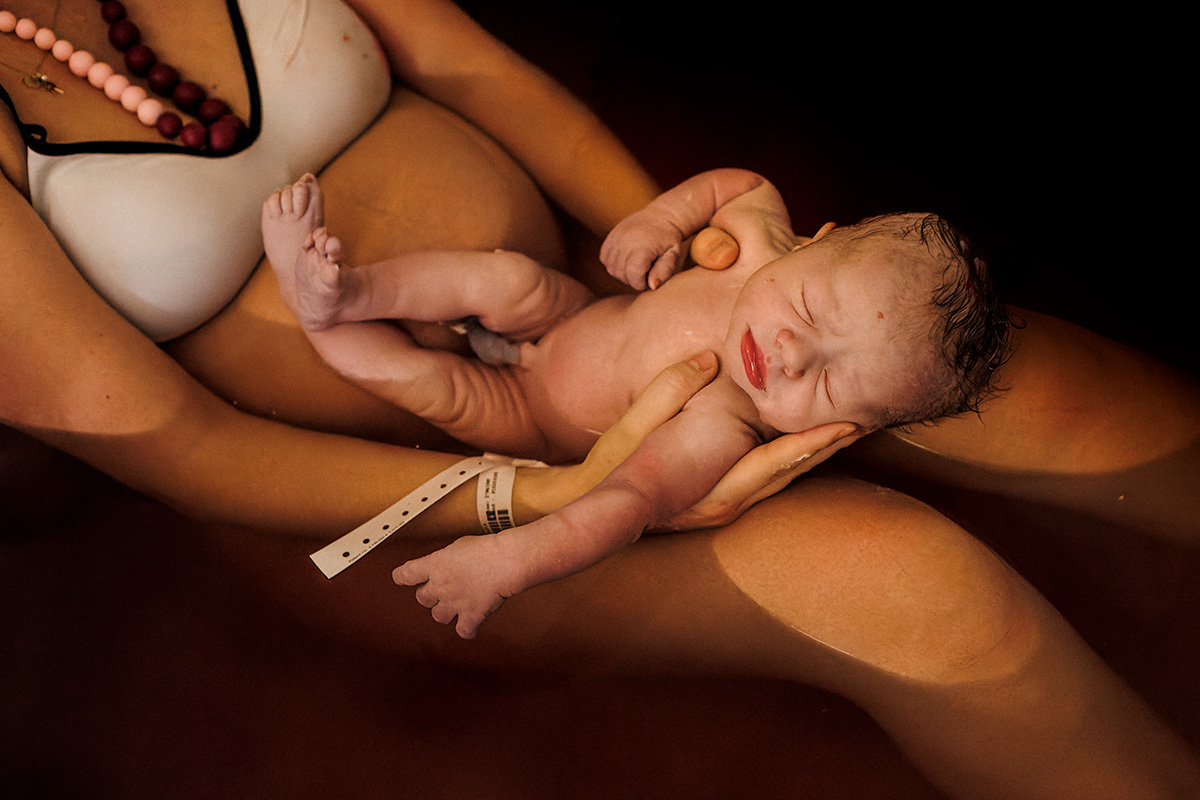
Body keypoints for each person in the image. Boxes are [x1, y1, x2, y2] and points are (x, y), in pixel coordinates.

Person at [1, 1, 1198, 798]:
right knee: (926, 591)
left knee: (1012, 371)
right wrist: (557, 490)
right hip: (392, 497)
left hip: (591, 304)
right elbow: (186, 447)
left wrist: (685, 261)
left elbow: (481, 74)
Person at [261, 167, 1009, 637]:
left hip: (529, 415)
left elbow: (629, 500)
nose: (792, 353)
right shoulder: (759, 242)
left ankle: (323, 322)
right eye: (811, 306)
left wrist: (512, 560)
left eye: (831, 386)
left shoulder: (723, 421)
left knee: (433, 385)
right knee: (507, 280)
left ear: (847, 429)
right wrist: (663, 220)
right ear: (815, 242)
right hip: (570, 315)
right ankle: (350, 291)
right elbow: (741, 187)